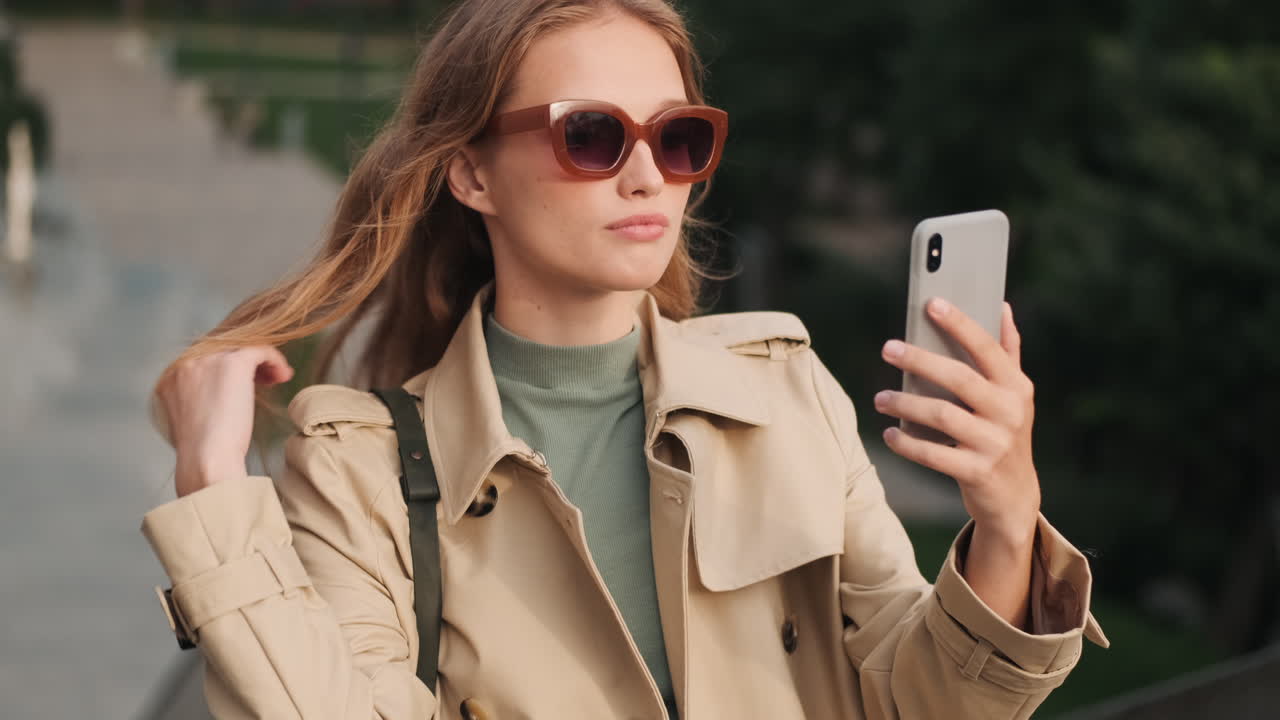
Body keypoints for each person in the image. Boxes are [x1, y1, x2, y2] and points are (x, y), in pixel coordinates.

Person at [141, 0, 1109, 718]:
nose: (647, 173)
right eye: (591, 134)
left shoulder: (782, 390)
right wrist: (213, 489)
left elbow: (924, 699)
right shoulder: (359, 466)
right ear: (470, 173)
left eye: (677, 136)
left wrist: (1005, 521)